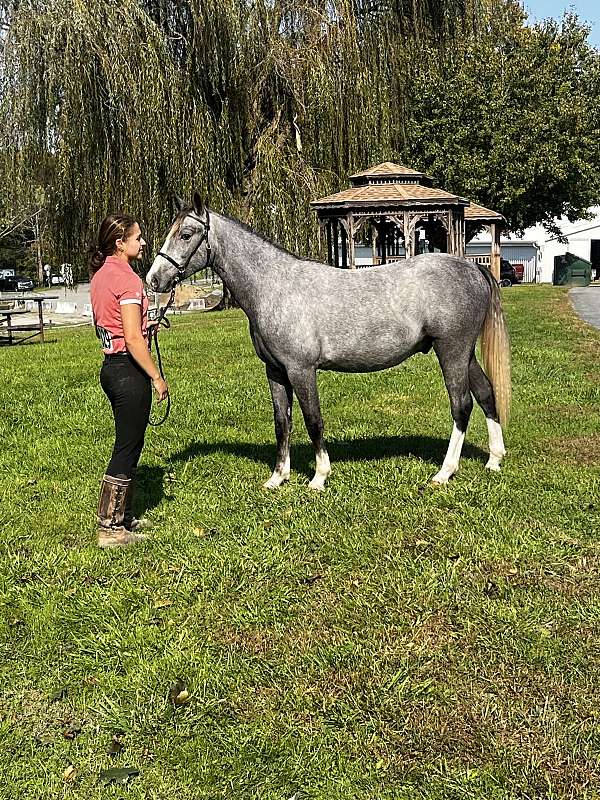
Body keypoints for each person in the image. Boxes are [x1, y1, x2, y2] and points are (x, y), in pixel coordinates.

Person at [89, 213, 168, 548]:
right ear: (120, 243)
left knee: (128, 443)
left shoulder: (100, 276)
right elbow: (133, 339)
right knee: (127, 447)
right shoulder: (129, 280)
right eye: (138, 238)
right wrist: (157, 376)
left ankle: (122, 516)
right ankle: (109, 528)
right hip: (129, 371)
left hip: (111, 368)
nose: (144, 242)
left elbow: (117, 325)